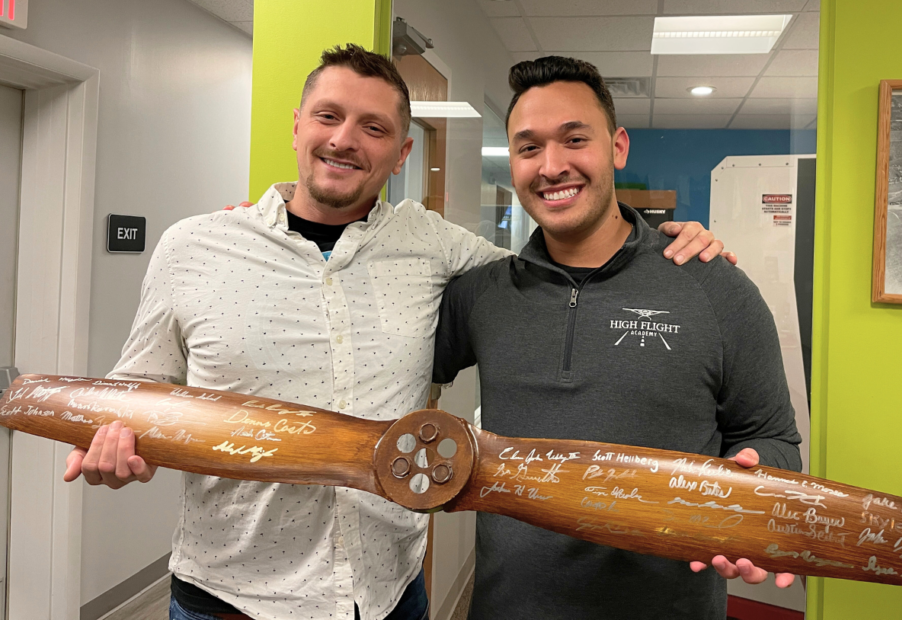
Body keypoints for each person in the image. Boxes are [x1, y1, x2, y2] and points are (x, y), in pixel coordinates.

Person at [62, 44, 732, 620]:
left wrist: (661, 250)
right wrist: (119, 444)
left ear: (402, 150)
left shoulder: (433, 246)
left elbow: (558, 278)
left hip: (386, 594)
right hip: (232, 597)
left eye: (374, 127)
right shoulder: (195, 246)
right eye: (328, 116)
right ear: (297, 125)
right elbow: (139, 389)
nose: (345, 140)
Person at [433, 56, 802, 620]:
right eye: (529, 147)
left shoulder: (712, 286)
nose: (552, 165)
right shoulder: (483, 295)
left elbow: (773, 438)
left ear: (618, 147)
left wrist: (753, 498)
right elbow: (379, 364)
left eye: (574, 139)